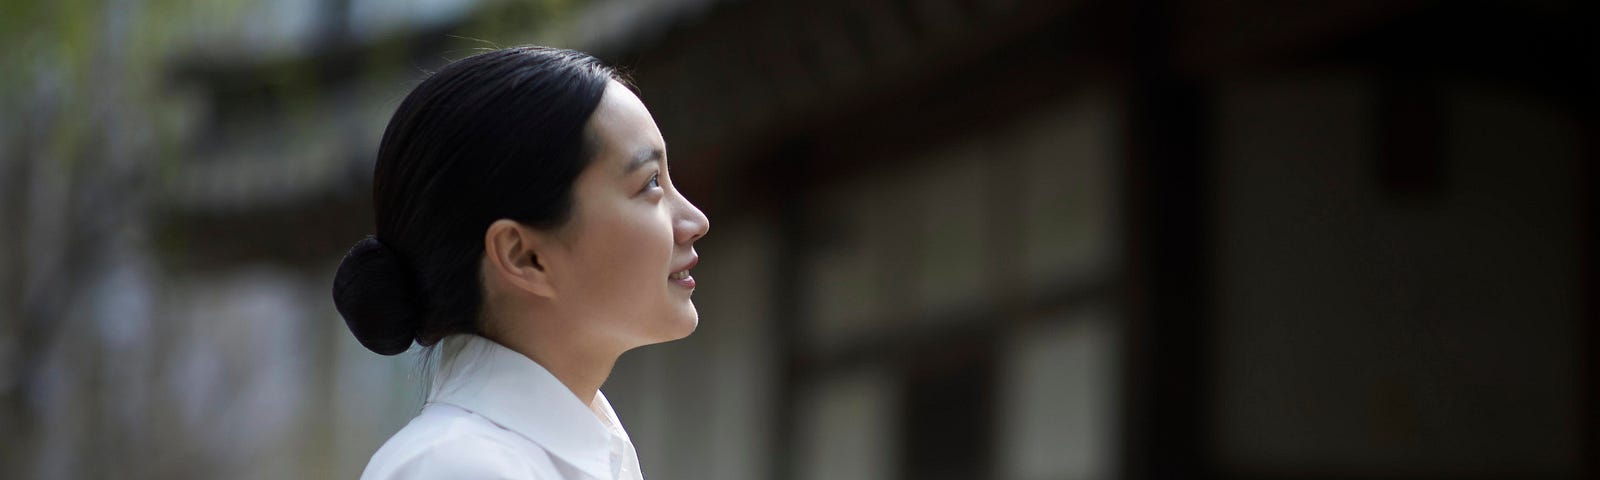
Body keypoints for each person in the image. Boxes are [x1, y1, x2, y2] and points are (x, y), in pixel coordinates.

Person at [331, 46, 709, 480]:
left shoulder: (587, 455)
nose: (695, 221)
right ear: (523, 255)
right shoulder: (457, 467)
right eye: (651, 184)